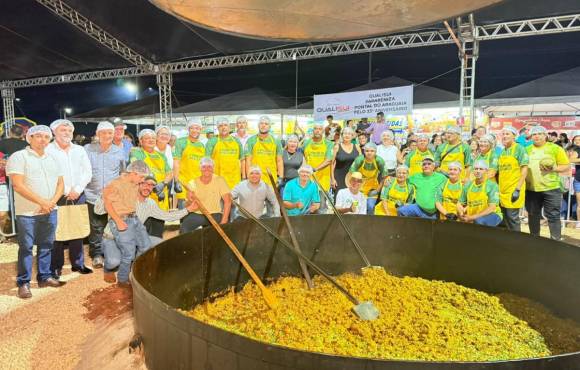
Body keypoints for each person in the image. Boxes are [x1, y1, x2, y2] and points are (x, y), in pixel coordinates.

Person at [98, 176, 195, 282]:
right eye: (145, 183)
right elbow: (98, 210)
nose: (148, 187)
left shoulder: (150, 204)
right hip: (112, 237)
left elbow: (167, 216)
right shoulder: (125, 196)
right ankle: (107, 269)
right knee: (113, 262)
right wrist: (104, 196)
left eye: (151, 185)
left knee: (159, 243)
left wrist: (189, 209)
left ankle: (134, 267)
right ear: (138, 184)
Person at [7, 125, 64, 298]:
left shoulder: (53, 158)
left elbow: (60, 183)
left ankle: (44, 277)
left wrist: (51, 202)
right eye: (38, 136)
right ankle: (23, 282)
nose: (42, 139)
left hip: (50, 210)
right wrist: (42, 202)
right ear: (29, 138)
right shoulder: (19, 157)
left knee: (47, 245)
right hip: (27, 213)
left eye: (46, 137)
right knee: (26, 248)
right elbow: (18, 185)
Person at [46, 119, 93, 279]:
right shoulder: (48, 150)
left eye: (69, 130)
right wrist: (66, 190)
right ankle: (56, 266)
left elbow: (87, 172)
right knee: (57, 232)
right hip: (56, 195)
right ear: (54, 132)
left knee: (77, 229)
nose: (66, 133)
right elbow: (48, 173)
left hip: (78, 194)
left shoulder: (79, 150)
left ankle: (78, 263)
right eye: (62, 130)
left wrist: (78, 189)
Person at [84, 121, 126, 268]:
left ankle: (111, 252)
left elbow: (122, 173)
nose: (107, 136)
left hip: (112, 197)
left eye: (110, 133)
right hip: (92, 194)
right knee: (96, 226)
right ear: (97, 134)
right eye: (103, 133)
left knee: (112, 225)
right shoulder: (87, 149)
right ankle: (96, 254)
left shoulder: (119, 151)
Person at [102, 160, 151, 285]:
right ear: (133, 173)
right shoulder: (115, 185)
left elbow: (149, 186)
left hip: (134, 218)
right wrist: (118, 221)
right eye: (141, 177)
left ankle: (136, 272)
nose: (142, 180)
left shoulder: (135, 182)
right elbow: (107, 204)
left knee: (146, 247)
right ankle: (123, 281)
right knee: (128, 253)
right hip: (120, 219)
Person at [525, 126, 570, 240]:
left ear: (545, 135)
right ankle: (534, 240)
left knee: (553, 216)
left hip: (552, 188)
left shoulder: (555, 148)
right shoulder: (527, 149)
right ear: (531, 136)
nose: (537, 136)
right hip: (532, 189)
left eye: (540, 134)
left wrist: (553, 169)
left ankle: (555, 241)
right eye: (534, 134)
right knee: (533, 215)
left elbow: (566, 166)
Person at [129, 129, 173, 238]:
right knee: (143, 231)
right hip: (144, 199)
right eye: (147, 138)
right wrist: (153, 184)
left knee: (158, 231)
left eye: (153, 138)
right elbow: (138, 169)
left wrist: (163, 184)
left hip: (160, 199)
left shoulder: (161, 156)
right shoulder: (136, 153)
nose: (151, 140)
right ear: (140, 140)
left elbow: (170, 173)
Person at [180, 157, 232, 234]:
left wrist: (224, 221)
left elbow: (228, 201)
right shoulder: (192, 183)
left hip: (215, 214)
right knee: (184, 227)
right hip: (197, 213)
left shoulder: (220, 180)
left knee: (223, 232)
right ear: (200, 168)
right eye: (204, 167)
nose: (206, 169)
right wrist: (190, 200)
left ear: (213, 168)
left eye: (209, 166)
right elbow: (187, 205)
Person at [498, 126, 529, 232]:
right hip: (503, 190)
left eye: (507, 134)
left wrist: (518, 189)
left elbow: (524, 169)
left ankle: (517, 242)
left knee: (512, 218)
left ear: (514, 136)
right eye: (503, 134)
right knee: (505, 218)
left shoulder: (519, 149)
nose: (504, 136)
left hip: (514, 188)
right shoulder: (503, 151)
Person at [457, 160, 503, 227]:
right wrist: (461, 214)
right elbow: (459, 203)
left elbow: (492, 208)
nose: (478, 171)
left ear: (486, 171)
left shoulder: (492, 185)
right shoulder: (468, 185)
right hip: (474, 215)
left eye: (481, 169)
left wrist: (472, 217)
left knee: (479, 221)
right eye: (476, 169)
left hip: (493, 214)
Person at [302, 122, 333, 213]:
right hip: (308, 180)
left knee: (321, 208)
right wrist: (306, 169)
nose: (317, 131)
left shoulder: (328, 144)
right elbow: (302, 156)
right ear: (313, 130)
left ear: (323, 131)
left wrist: (315, 169)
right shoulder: (307, 143)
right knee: (307, 207)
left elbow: (329, 160)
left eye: (320, 129)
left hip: (322, 181)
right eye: (316, 128)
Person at [173, 120, 205, 208]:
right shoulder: (181, 142)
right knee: (183, 211)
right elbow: (176, 162)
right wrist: (176, 181)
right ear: (188, 129)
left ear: (200, 130)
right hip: (184, 183)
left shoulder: (201, 145)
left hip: (197, 184)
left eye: (197, 128)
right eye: (192, 128)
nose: (195, 130)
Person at [205, 117, 245, 189]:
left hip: (234, 181)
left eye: (225, 125)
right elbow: (206, 162)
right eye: (220, 126)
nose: (223, 128)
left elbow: (242, 160)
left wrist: (244, 177)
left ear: (229, 127)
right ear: (217, 128)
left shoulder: (236, 141)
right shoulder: (212, 141)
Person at [348, 143, 387, 214]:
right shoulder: (359, 159)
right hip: (359, 187)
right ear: (364, 151)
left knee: (370, 206)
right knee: (356, 206)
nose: (369, 153)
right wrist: (352, 187)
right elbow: (351, 173)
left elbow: (385, 177)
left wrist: (378, 190)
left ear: (375, 152)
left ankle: (369, 223)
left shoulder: (379, 161)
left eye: (372, 151)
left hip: (372, 188)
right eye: (367, 151)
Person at [245, 116, 283, 186]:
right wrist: (248, 176)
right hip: (255, 177)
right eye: (261, 123)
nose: (263, 125)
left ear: (270, 126)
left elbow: (279, 160)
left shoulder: (276, 141)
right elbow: (248, 160)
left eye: (266, 124)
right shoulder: (251, 140)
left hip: (271, 178)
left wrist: (280, 177)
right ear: (258, 125)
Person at [331, 127, 360, 196]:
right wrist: (332, 179)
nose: (347, 135)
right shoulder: (337, 147)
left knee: (353, 199)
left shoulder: (357, 147)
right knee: (339, 199)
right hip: (339, 177)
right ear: (342, 135)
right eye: (345, 133)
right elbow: (332, 164)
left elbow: (360, 162)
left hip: (353, 177)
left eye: (349, 134)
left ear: (352, 136)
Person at [568, 135, 580, 228]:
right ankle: (579, 222)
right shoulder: (577, 150)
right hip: (578, 179)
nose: (577, 141)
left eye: (579, 140)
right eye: (576, 140)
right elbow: (571, 160)